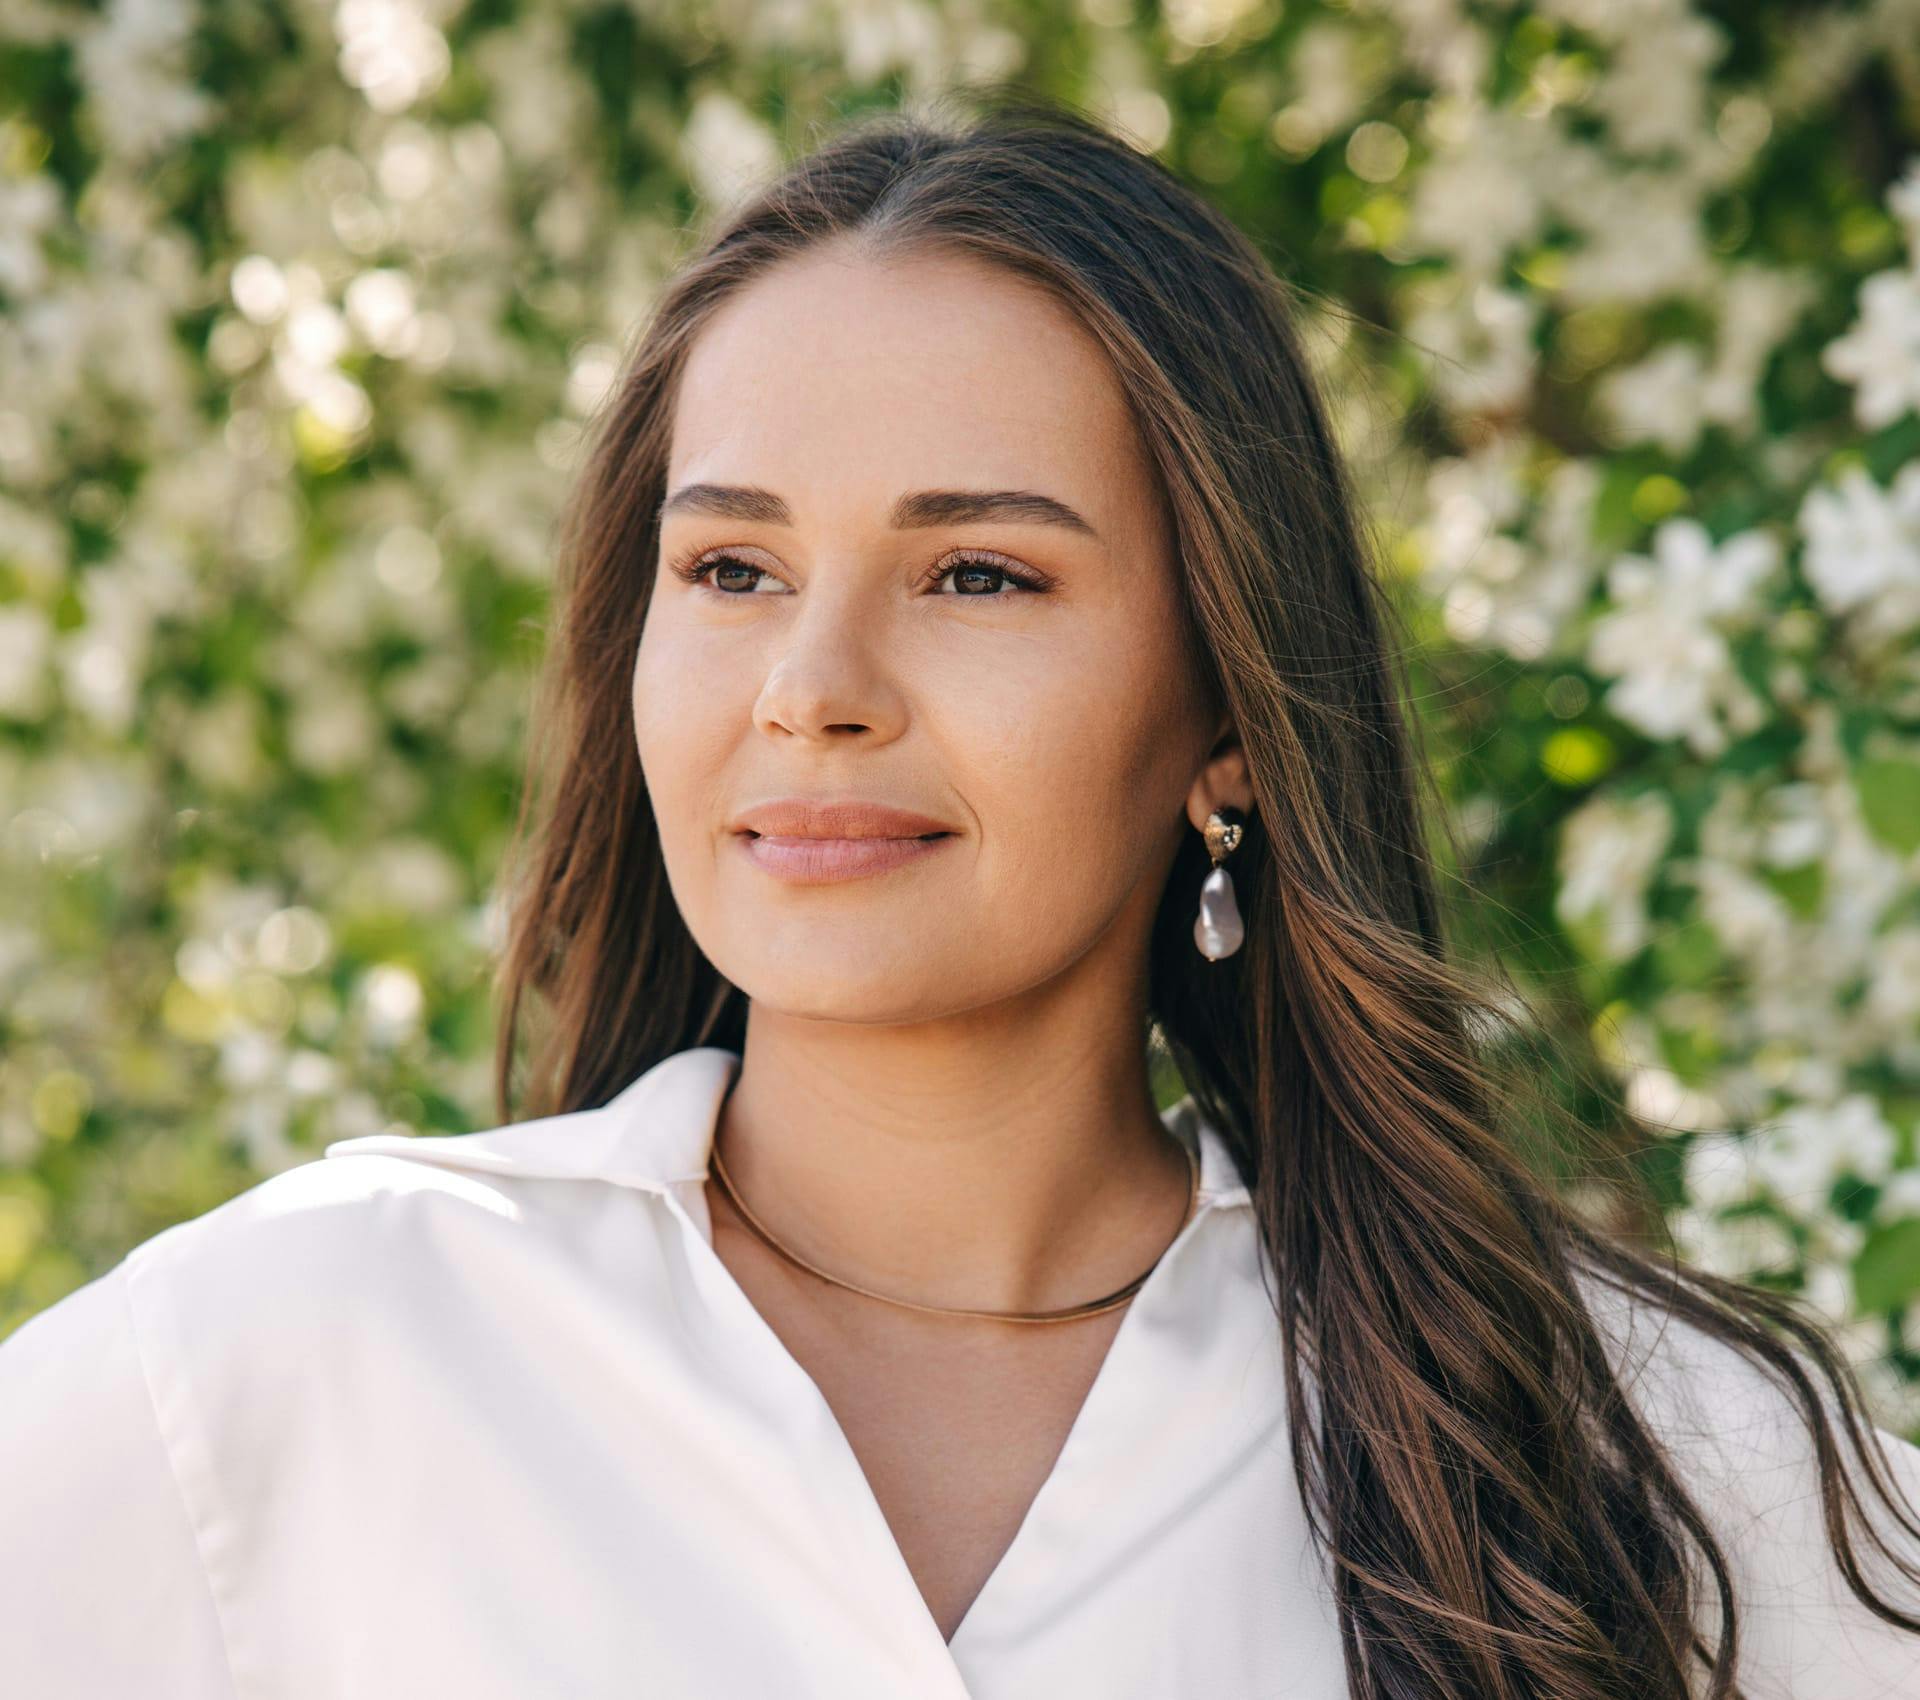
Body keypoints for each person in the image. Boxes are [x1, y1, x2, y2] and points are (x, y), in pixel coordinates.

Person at [3, 95, 1918, 1700]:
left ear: (1233, 712)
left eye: (979, 576)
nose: (810, 683)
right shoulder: (294, 1354)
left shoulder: (1619, 1452)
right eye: (732, 570)